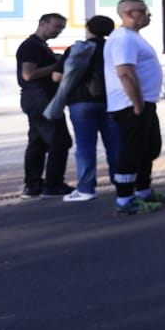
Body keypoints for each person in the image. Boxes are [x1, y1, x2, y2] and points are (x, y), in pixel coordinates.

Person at [44, 15, 120, 202]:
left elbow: (56, 77)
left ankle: (86, 188)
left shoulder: (77, 48)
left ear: (89, 29)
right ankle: (122, 184)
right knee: (115, 145)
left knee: (85, 147)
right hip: (112, 102)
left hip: (81, 103)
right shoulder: (115, 49)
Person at [106, 0, 165, 214]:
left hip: (143, 103)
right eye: (145, 12)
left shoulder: (133, 37)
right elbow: (125, 72)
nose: (149, 16)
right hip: (130, 104)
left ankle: (143, 191)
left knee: (148, 148)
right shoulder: (123, 38)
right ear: (130, 13)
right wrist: (137, 104)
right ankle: (125, 199)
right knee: (132, 150)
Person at [17, 12, 74, 199]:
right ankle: (53, 184)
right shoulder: (32, 46)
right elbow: (28, 74)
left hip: (36, 99)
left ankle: (33, 185)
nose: (59, 31)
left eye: (62, 28)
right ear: (43, 23)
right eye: (56, 26)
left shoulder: (39, 46)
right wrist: (58, 64)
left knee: (38, 142)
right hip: (40, 99)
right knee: (60, 141)